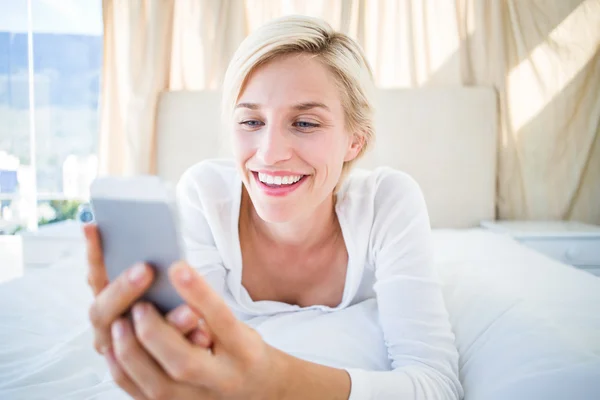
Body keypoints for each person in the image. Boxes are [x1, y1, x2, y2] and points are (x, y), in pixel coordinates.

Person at [84, 15, 463, 400]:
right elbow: (195, 360)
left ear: (355, 142)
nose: (269, 154)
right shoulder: (205, 195)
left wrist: (280, 381)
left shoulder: (387, 203)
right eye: (251, 120)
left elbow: (435, 383)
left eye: (304, 123)